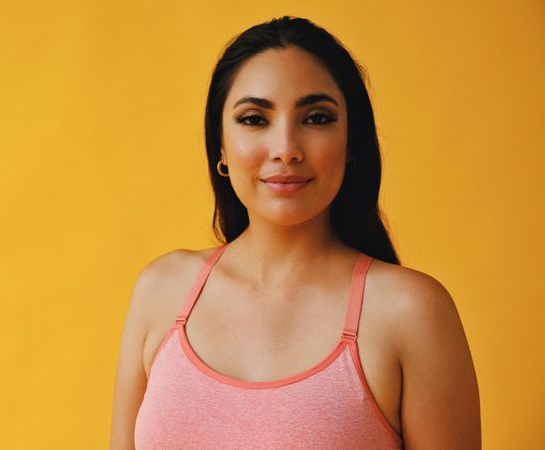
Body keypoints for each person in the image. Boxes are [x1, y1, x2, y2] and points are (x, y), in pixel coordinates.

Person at [109, 15, 481, 449]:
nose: (286, 149)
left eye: (317, 118)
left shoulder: (410, 312)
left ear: (352, 143)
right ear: (221, 147)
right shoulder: (162, 292)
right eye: (253, 119)